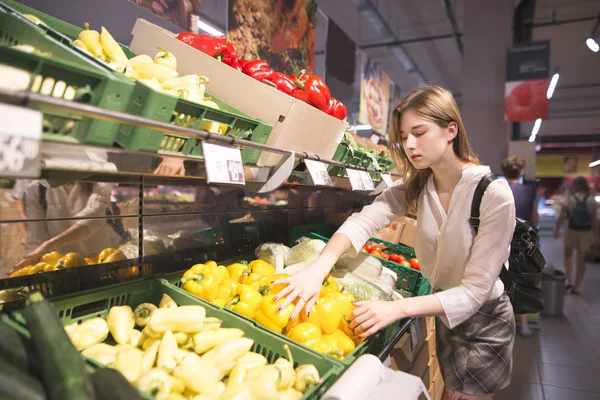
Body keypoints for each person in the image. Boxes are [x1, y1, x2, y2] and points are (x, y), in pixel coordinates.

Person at [274, 86, 516, 399]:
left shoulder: (493, 195)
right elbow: (365, 219)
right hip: (441, 307)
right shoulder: (419, 183)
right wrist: (318, 268)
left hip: (484, 318)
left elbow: (474, 292)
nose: (410, 145)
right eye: (404, 137)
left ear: (451, 130)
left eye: (419, 132)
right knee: (450, 392)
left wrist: (397, 309)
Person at [8, 181, 123, 275]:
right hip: (66, 270)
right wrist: (29, 267)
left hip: (105, 263)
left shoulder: (99, 182)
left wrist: (47, 246)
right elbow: (36, 237)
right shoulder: (36, 189)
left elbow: (91, 220)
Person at [501, 156, 538, 337]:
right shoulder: (529, 191)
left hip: (501, 239)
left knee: (501, 279)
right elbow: (534, 216)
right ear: (521, 171)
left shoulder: (498, 189)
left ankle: (503, 322)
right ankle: (523, 324)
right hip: (524, 240)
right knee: (522, 281)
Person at [553, 176, 597, 295]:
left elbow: (561, 216)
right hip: (586, 233)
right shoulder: (591, 200)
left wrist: (557, 230)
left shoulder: (569, 199)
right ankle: (577, 286)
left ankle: (569, 280)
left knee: (568, 256)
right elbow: (594, 220)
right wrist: (596, 235)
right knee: (581, 260)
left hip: (571, 231)